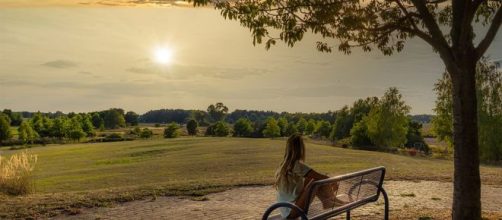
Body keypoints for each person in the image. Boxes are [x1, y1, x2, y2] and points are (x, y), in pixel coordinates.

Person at [275, 134, 338, 219]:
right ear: (300, 148)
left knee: (311, 179)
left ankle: (330, 201)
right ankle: (330, 202)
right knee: (315, 181)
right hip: (291, 211)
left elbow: (315, 176)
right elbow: (319, 176)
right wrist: (334, 181)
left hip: (287, 208)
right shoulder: (295, 165)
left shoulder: (286, 164)